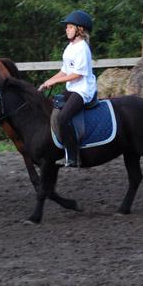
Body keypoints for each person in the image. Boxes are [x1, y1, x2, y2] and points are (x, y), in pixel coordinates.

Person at [38, 10, 97, 168]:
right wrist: (49, 81)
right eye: (67, 27)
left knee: (63, 117)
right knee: (53, 109)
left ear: (80, 30)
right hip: (72, 88)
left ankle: (73, 156)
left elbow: (77, 74)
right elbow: (65, 70)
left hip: (83, 90)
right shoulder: (70, 47)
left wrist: (57, 82)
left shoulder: (82, 48)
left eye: (70, 27)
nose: (67, 30)